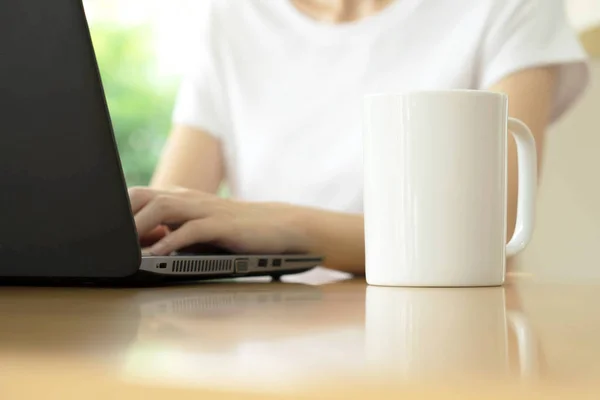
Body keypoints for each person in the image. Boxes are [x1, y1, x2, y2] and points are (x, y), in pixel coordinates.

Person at [129, 0, 589, 274]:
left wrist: (283, 228)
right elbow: (166, 218)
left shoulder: (509, 7)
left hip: (441, 348)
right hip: (258, 344)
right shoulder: (234, 18)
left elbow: (485, 239)